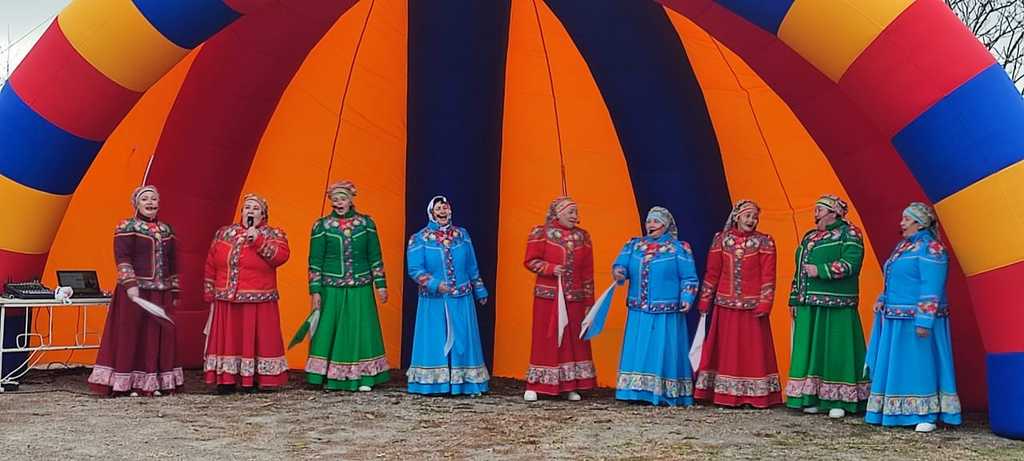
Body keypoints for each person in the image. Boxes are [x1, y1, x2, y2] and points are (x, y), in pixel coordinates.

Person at [864, 202, 961, 432]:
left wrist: (924, 320)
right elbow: (894, 277)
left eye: (906, 220)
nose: (901, 223)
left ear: (919, 223)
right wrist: (882, 298)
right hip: (896, 318)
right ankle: (896, 411)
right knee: (901, 366)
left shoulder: (932, 249)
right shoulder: (903, 247)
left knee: (919, 366)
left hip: (917, 319)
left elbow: (932, 285)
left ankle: (924, 414)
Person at [87, 185, 183, 396]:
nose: (150, 202)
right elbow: (123, 257)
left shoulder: (167, 230)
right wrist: (130, 285)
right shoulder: (126, 226)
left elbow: (173, 262)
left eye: (154, 199)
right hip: (135, 293)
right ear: (136, 204)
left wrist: (174, 292)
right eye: (145, 199)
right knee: (132, 335)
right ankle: (127, 383)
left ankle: (154, 382)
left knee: (156, 336)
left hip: (160, 292)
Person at [786, 194, 869, 418]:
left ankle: (840, 400)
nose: (816, 213)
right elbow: (799, 270)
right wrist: (794, 298)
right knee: (812, 352)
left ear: (834, 212)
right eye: (816, 209)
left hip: (837, 303)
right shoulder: (810, 237)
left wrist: (821, 270)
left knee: (836, 350)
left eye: (820, 210)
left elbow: (851, 264)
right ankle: (812, 397)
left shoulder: (850, 233)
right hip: (809, 303)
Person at [694, 200, 782, 408]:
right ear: (737, 217)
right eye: (748, 216)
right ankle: (725, 395)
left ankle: (754, 396)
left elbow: (769, 275)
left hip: (752, 308)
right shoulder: (721, 240)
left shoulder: (765, 242)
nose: (752, 221)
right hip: (725, 306)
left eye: (755, 217)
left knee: (753, 353)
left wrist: (765, 303)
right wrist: (705, 299)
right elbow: (713, 273)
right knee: (727, 352)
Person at [305, 180, 390, 391]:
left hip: (360, 285)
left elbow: (375, 255)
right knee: (329, 329)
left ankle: (364, 376)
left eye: (342, 198)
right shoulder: (321, 226)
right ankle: (327, 375)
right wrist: (315, 290)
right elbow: (315, 260)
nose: (338, 202)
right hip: (331, 286)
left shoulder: (366, 224)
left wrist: (381, 284)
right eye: (335, 199)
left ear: (351, 200)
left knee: (361, 329)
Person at [610, 206, 698, 406]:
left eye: (656, 221)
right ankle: (633, 391)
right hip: (638, 310)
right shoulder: (634, 245)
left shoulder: (679, 248)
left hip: (666, 311)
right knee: (638, 347)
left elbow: (689, 277)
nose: (651, 225)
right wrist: (619, 272)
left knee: (662, 349)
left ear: (666, 225)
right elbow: (621, 264)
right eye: (649, 221)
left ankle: (662, 391)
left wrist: (687, 297)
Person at [202, 193, 290, 392]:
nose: (250, 211)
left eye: (255, 208)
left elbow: (281, 257)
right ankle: (227, 379)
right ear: (241, 212)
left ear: (264, 215)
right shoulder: (224, 233)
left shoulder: (273, 234)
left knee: (255, 340)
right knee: (229, 341)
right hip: (227, 298)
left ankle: (254, 379)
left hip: (257, 298)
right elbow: (211, 262)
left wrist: (258, 241)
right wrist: (209, 289)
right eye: (247, 207)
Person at [406, 196, 490, 395]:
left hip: (462, 297)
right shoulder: (419, 238)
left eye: (446, 207)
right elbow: (415, 269)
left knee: (463, 339)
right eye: (439, 208)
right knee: (436, 338)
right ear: (431, 212)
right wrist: (435, 284)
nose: (443, 211)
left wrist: (480, 289)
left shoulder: (462, 235)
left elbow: (471, 265)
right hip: (434, 301)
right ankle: (434, 383)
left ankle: (466, 383)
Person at [522, 196, 596, 401]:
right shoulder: (541, 233)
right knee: (545, 339)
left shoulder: (583, 236)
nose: (575, 216)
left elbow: (588, 272)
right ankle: (535, 385)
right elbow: (530, 261)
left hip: (575, 297)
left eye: (576, 212)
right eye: (571, 212)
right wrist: (551, 268)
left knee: (571, 342)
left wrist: (589, 302)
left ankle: (568, 385)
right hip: (549, 297)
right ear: (558, 213)